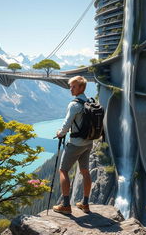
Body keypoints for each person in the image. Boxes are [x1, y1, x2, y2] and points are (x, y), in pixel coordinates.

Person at [53, 76, 93, 215]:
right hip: (88, 143)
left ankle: (65, 205)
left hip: (76, 144)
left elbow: (66, 125)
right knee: (85, 171)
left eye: (74, 86)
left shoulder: (74, 104)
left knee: (63, 170)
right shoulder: (90, 101)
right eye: (70, 86)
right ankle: (85, 204)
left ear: (81, 87)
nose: (71, 89)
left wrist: (60, 133)